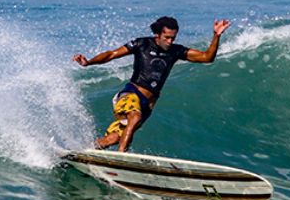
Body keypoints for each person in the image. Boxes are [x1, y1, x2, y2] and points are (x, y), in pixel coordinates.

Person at [73, 16, 231, 152]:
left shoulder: (176, 51)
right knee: (134, 117)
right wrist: (88, 62)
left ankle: (85, 151)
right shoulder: (142, 44)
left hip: (148, 104)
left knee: (114, 138)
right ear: (157, 34)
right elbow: (112, 54)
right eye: (167, 37)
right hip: (131, 94)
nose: (170, 42)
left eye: (173, 38)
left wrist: (216, 36)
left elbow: (206, 58)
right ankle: (122, 156)